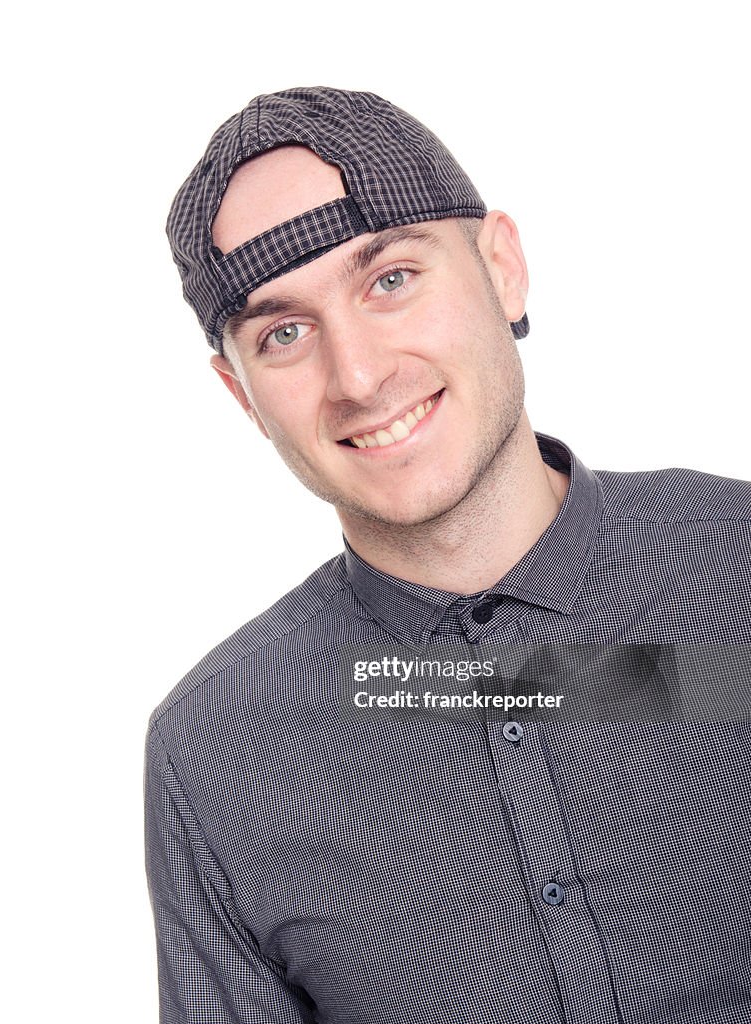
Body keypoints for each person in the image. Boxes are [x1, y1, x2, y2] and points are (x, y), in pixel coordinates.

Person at [145, 87, 751, 1024]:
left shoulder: (737, 570)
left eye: (390, 279)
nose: (357, 375)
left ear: (502, 269)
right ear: (241, 395)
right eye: (286, 334)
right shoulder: (216, 748)